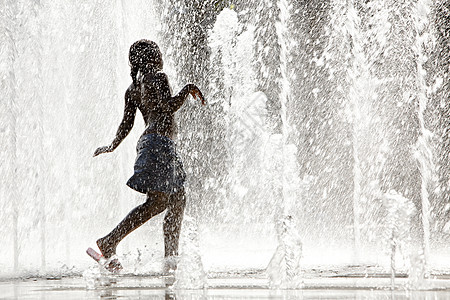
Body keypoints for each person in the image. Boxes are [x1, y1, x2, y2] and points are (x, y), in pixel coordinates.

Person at [93, 39, 205, 271]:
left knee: (176, 199)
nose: (162, 57)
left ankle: (170, 258)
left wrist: (113, 145)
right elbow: (167, 106)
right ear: (152, 58)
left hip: (151, 143)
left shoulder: (133, 89)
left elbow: (126, 124)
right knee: (158, 202)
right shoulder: (159, 77)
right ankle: (110, 240)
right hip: (160, 144)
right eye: (158, 53)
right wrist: (187, 89)